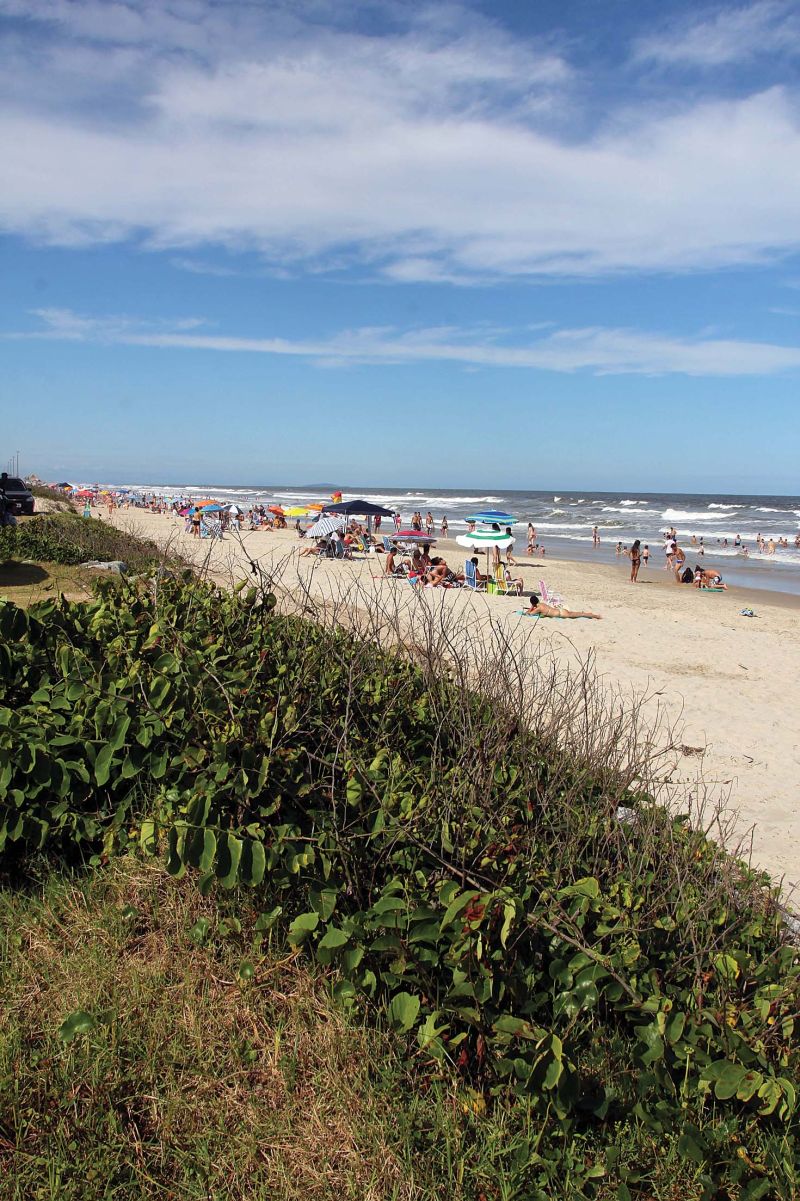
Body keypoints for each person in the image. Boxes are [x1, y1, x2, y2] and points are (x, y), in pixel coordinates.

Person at [525, 593, 601, 619]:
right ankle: (592, 615)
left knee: (579, 614)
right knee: (577, 614)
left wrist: (531, 607)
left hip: (562, 614)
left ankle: (594, 615)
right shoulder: (542, 604)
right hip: (561, 611)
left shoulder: (538, 608)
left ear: (533, 603)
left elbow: (529, 614)